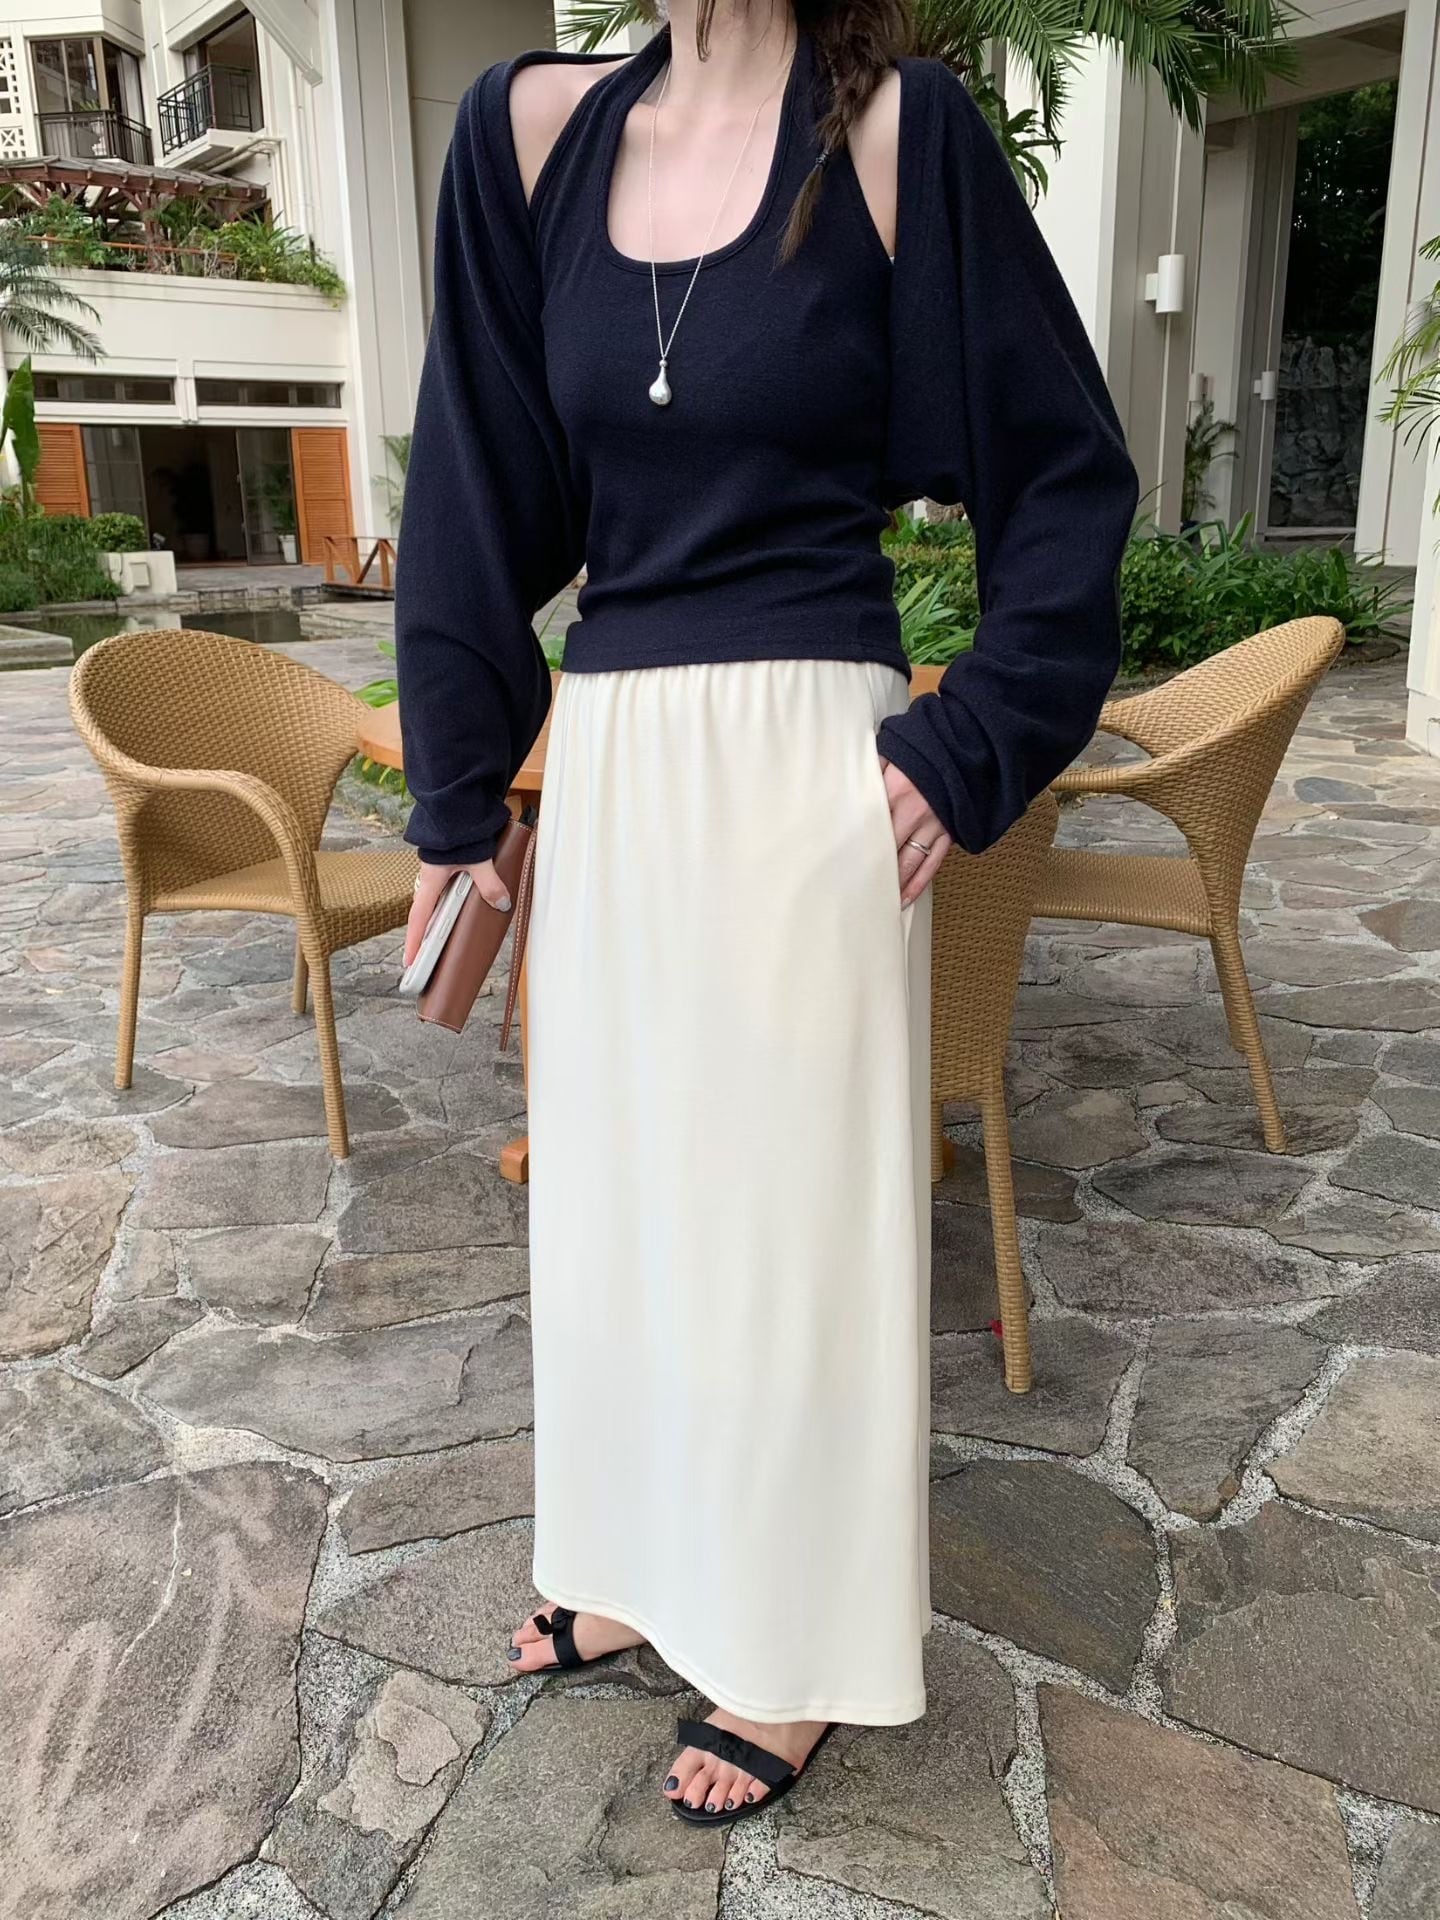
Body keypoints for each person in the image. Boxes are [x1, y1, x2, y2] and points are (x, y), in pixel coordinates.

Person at [396, 0, 1138, 1826]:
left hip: (812, 759)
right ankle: (631, 1562)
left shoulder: (899, 139)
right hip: (617, 759)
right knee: (621, 1208)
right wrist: (460, 789)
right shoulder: (528, 134)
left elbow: (1067, 475)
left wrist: (974, 740)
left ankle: (791, 1647)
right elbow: (473, 478)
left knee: (791, 1232)